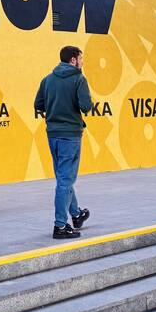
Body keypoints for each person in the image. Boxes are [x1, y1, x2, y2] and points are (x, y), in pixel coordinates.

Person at [34, 46, 93, 240]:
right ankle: (60, 226)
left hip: (53, 134)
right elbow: (86, 106)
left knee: (63, 177)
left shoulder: (47, 79)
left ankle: (76, 214)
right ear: (73, 60)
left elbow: (38, 105)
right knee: (65, 180)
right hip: (71, 135)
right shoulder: (79, 79)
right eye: (81, 58)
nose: (82, 62)